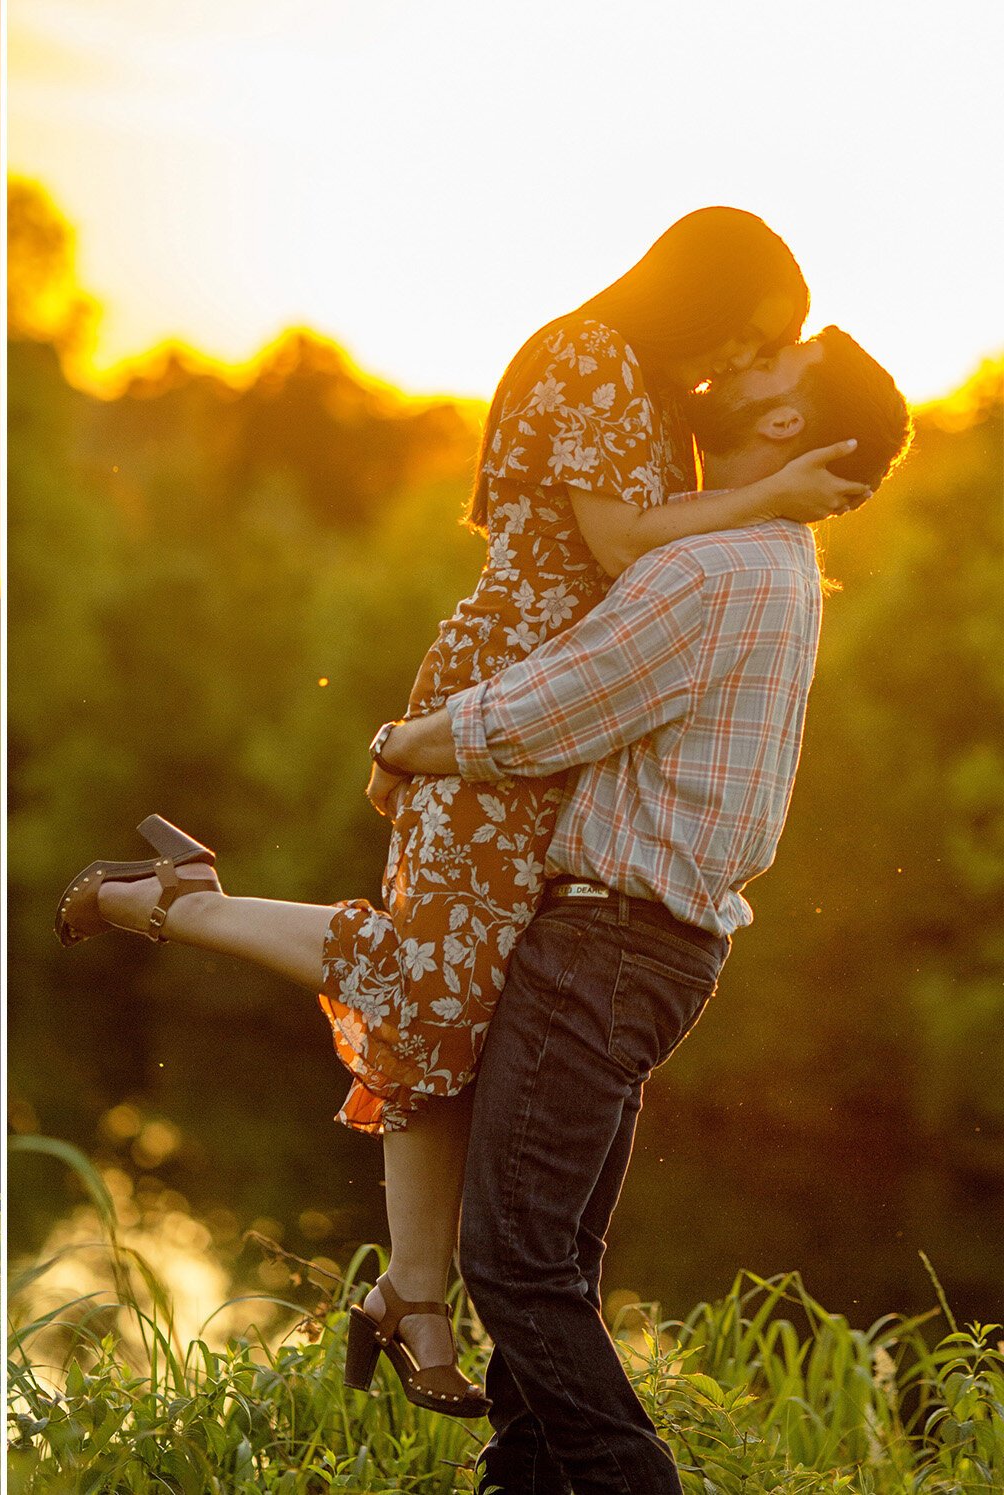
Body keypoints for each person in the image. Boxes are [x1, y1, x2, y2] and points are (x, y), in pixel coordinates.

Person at [54, 207, 870, 1416]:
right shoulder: (593, 356)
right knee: (434, 983)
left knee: (468, 1006)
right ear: (703, 292)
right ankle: (178, 909)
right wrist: (774, 497)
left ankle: (410, 1289)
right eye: (749, 335)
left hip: (557, 716)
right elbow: (615, 538)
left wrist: (764, 501)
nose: (734, 365)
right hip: (507, 696)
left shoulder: (652, 387)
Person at [371, 329, 910, 1492]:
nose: (725, 369)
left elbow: (555, 707)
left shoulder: (709, 569)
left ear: (782, 425)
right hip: (646, 947)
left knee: (512, 1261)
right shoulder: (770, 556)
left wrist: (409, 740)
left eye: (765, 365)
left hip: (603, 946)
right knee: (551, 1252)